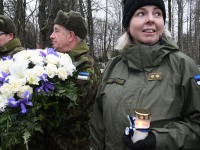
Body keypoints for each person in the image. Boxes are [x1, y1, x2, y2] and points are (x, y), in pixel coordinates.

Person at [90, 0, 200, 150]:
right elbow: (98, 123)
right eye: (141, 13)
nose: (151, 19)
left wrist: (158, 140)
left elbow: (197, 125)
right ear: (128, 23)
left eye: (157, 13)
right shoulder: (113, 66)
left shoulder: (184, 66)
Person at [24, 10, 100, 150]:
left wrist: (29, 112)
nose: (51, 36)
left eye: (56, 31)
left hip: (68, 144)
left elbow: (72, 108)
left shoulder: (85, 66)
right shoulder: (53, 60)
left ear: (70, 35)